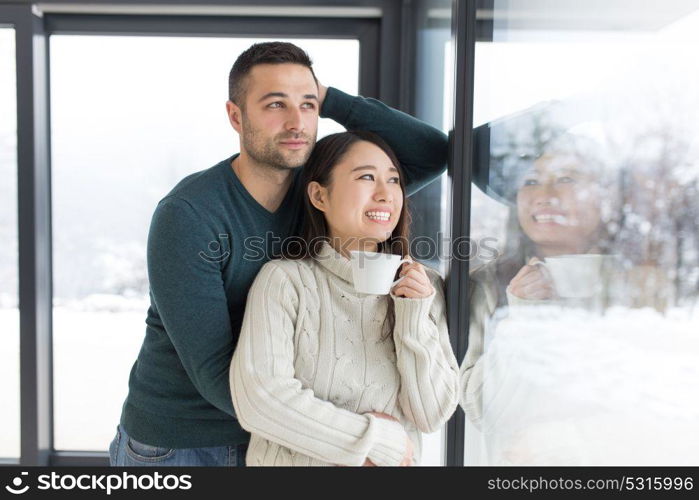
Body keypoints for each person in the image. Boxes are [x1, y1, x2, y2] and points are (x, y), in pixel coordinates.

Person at [108, 42, 448, 466]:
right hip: (186, 441)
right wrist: (349, 436)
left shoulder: (324, 194)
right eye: (275, 104)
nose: (296, 122)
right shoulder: (191, 215)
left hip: (282, 435)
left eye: (307, 106)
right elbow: (217, 371)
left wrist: (330, 98)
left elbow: (433, 153)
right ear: (236, 116)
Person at [230, 130, 459, 466]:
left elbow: (431, 414)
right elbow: (261, 401)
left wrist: (413, 316)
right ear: (319, 196)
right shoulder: (285, 281)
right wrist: (380, 441)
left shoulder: (425, 288)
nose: (385, 194)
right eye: (367, 177)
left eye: (393, 180)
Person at [459, 136, 611, 430]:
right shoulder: (488, 284)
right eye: (530, 181)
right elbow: (480, 406)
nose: (545, 194)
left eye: (566, 179)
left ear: (604, 198)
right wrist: (522, 317)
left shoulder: (636, 280)